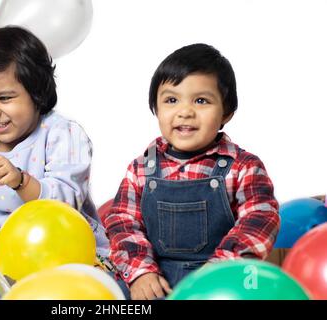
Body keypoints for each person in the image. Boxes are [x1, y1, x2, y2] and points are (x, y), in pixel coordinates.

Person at [102, 43, 280, 300]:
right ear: (156, 108)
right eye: (172, 100)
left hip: (220, 281)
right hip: (155, 281)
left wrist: (220, 269)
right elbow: (122, 222)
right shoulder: (141, 169)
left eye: (201, 100)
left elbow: (260, 218)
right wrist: (141, 272)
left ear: (226, 113)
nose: (185, 112)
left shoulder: (243, 166)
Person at [0, 26, 109, 262]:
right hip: (6, 251)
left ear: (37, 92)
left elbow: (67, 202)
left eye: (5, 98)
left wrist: (20, 181)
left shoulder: (63, 134)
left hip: (65, 245)